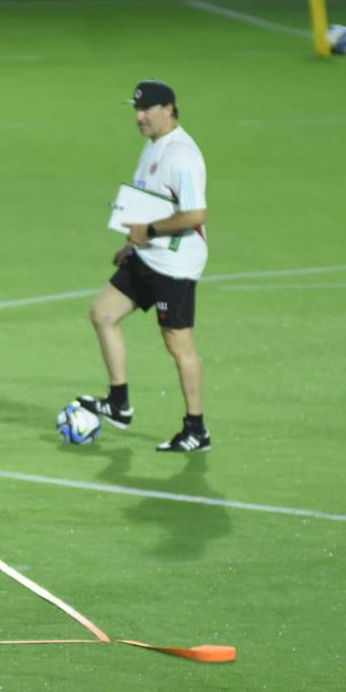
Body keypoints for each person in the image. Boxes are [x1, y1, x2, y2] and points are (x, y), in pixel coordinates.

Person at [78, 80, 211, 452]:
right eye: (136, 109)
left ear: (168, 109)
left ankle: (196, 429)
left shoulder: (182, 155)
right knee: (103, 313)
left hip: (175, 265)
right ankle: (119, 405)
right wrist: (131, 246)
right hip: (148, 255)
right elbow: (149, 202)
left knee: (178, 344)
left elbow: (195, 213)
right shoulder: (154, 147)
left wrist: (148, 231)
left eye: (147, 109)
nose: (139, 116)